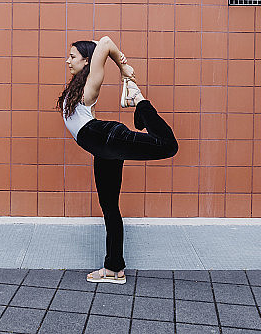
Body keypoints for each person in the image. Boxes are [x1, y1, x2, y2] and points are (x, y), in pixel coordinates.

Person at [57, 36, 178, 284]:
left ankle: (140, 102)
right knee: (109, 207)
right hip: (102, 150)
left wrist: (124, 70)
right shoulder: (77, 87)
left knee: (168, 146)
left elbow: (105, 42)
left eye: (72, 56)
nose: (67, 60)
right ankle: (114, 268)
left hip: (106, 137)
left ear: (86, 60)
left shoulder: (91, 84)